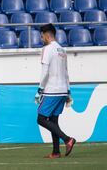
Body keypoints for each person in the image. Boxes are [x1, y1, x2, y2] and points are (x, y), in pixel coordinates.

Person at [35, 23, 76, 158]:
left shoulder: (47, 49)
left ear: (47, 35)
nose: (42, 39)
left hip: (52, 89)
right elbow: (66, 73)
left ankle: (67, 139)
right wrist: (68, 92)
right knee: (53, 121)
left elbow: (45, 71)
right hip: (63, 90)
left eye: (42, 36)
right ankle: (56, 152)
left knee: (41, 119)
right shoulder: (62, 50)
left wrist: (40, 90)